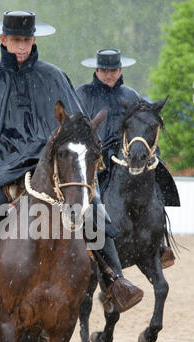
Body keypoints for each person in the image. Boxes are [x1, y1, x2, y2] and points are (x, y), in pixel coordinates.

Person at [0, 11, 143, 322]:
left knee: (92, 211)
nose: (21, 46)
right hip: (3, 170)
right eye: (15, 40)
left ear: (34, 39)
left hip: (51, 168)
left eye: (26, 40)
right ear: (3, 39)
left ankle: (114, 280)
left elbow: (79, 128)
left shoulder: (54, 77)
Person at [76, 48, 180, 266]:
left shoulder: (131, 95)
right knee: (88, 196)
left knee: (155, 183)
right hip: (95, 157)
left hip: (128, 156)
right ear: (96, 69)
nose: (109, 74)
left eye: (113, 70)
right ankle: (83, 243)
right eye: (104, 70)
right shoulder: (83, 94)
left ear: (120, 69)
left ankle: (158, 242)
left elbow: (145, 125)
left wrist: (154, 155)